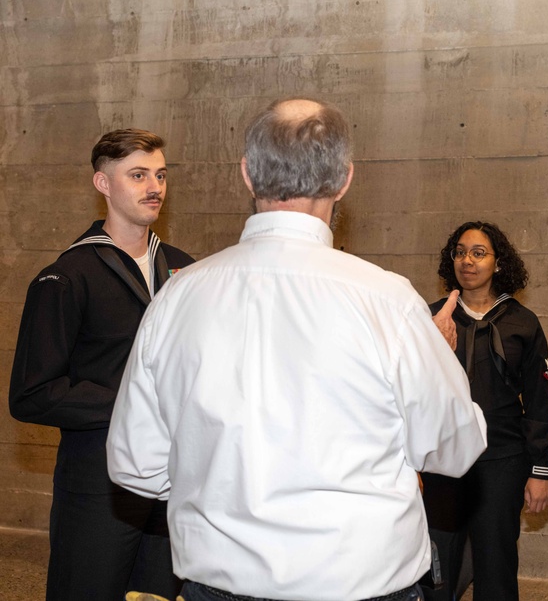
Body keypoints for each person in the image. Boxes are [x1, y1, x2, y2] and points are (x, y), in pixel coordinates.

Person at [105, 98, 489, 601]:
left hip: (220, 582)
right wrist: (438, 364)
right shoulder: (387, 301)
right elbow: (455, 449)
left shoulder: (177, 297)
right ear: (345, 180)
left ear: (246, 173)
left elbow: (136, 466)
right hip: (361, 581)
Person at [8, 129, 193, 601]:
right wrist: (134, 406)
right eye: (137, 175)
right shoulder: (66, 277)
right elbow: (32, 394)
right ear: (103, 183)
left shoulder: (186, 272)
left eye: (160, 175)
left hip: (174, 481)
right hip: (98, 485)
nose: (154, 186)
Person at [422, 221, 548, 601]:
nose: (468, 260)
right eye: (460, 252)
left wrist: (540, 471)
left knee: (496, 566)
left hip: (502, 459)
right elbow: (411, 392)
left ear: (498, 263)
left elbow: (538, 401)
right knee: (436, 568)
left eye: (479, 253)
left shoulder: (522, 323)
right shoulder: (434, 318)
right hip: (443, 460)